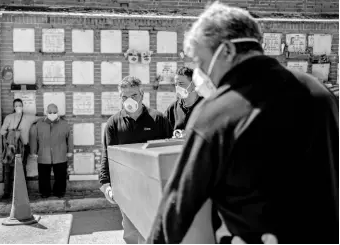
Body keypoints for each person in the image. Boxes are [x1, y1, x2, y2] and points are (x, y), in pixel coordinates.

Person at [147, 2, 338, 244]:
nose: (200, 74)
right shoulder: (321, 94)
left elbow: (176, 207)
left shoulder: (216, 112)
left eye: (201, 63)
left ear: (226, 50)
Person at [99, 76, 172, 244]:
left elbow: (169, 151)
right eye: (124, 97)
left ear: (142, 94)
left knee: (155, 231)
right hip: (126, 187)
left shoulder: (158, 119)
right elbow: (106, 154)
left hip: (153, 187)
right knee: (131, 232)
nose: (128, 100)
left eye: (133, 95)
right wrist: (105, 184)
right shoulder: (113, 123)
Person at [29, 103, 73, 198]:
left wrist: (70, 150)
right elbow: (34, 138)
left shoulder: (64, 124)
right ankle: (45, 193)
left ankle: (59, 192)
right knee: (43, 176)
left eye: (54, 112)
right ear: (46, 112)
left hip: (60, 153)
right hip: (43, 154)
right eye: (50, 112)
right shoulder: (39, 124)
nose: (52, 114)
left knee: (60, 175)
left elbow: (69, 138)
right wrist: (33, 151)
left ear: (58, 112)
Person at [0, 98, 38, 199]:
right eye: (16, 105)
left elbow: (39, 118)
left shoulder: (28, 117)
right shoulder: (8, 117)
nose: (18, 107)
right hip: (10, 148)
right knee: (8, 171)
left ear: (22, 106)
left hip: (23, 148)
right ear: (13, 107)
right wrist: (11, 133)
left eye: (20, 105)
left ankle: (22, 192)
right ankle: (7, 193)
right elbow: (2, 131)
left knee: (22, 170)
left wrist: (50, 115)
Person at [164, 66, 203, 138]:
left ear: (193, 84)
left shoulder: (205, 105)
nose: (177, 87)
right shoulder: (172, 109)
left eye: (181, 84)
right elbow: (165, 135)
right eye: (176, 84)